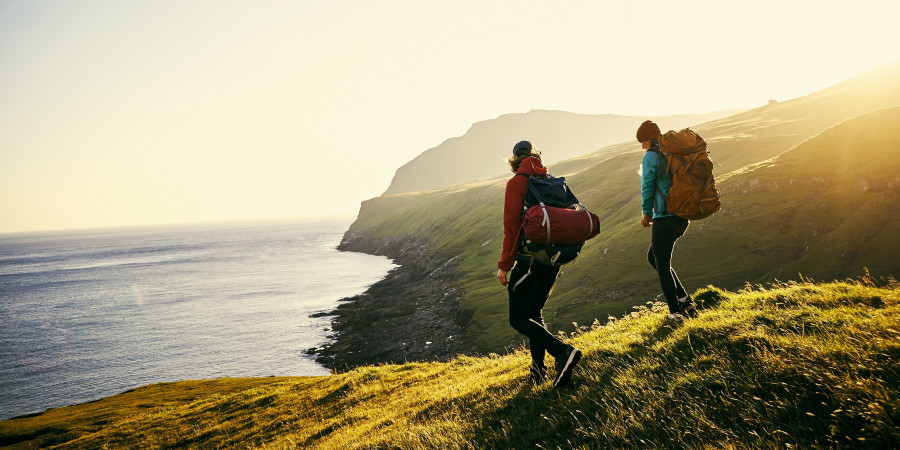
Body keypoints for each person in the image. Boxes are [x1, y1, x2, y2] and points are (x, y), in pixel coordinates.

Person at [497, 140, 582, 388]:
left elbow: (512, 228)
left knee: (518, 318)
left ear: (514, 161)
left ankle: (563, 352)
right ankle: (538, 373)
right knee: (534, 313)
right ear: (537, 157)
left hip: (528, 261)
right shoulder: (552, 180)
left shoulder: (517, 183)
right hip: (553, 259)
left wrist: (505, 265)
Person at [637, 120, 697, 318]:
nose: (642, 146)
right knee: (653, 257)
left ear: (647, 139)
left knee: (662, 265)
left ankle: (676, 313)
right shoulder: (672, 153)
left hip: (665, 217)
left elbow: (647, 187)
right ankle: (684, 300)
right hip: (682, 216)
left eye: (642, 142)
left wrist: (646, 213)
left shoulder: (651, 157)